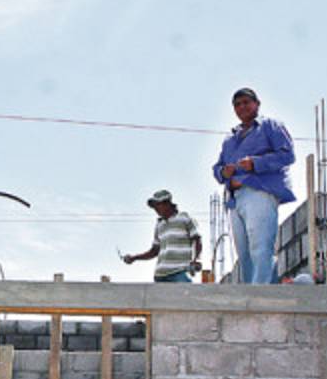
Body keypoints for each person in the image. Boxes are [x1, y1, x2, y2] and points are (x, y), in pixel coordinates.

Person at [213, 87, 296, 284]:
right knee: (244, 253)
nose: (242, 107)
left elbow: (287, 155)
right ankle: (251, 294)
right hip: (235, 200)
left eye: (246, 102)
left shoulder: (270, 126)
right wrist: (223, 172)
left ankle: (261, 293)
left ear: (257, 104)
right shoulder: (230, 138)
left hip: (259, 191)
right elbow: (217, 167)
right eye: (237, 104)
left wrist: (256, 163)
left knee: (260, 247)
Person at [122, 189, 202, 282]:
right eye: (154, 206)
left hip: (179, 271)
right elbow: (154, 251)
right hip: (160, 275)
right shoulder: (159, 225)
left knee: (187, 295)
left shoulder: (183, 218)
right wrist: (134, 258)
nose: (155, 209)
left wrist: (196, 259)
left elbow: (197, 240)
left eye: (157, 205)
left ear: (167, 204)